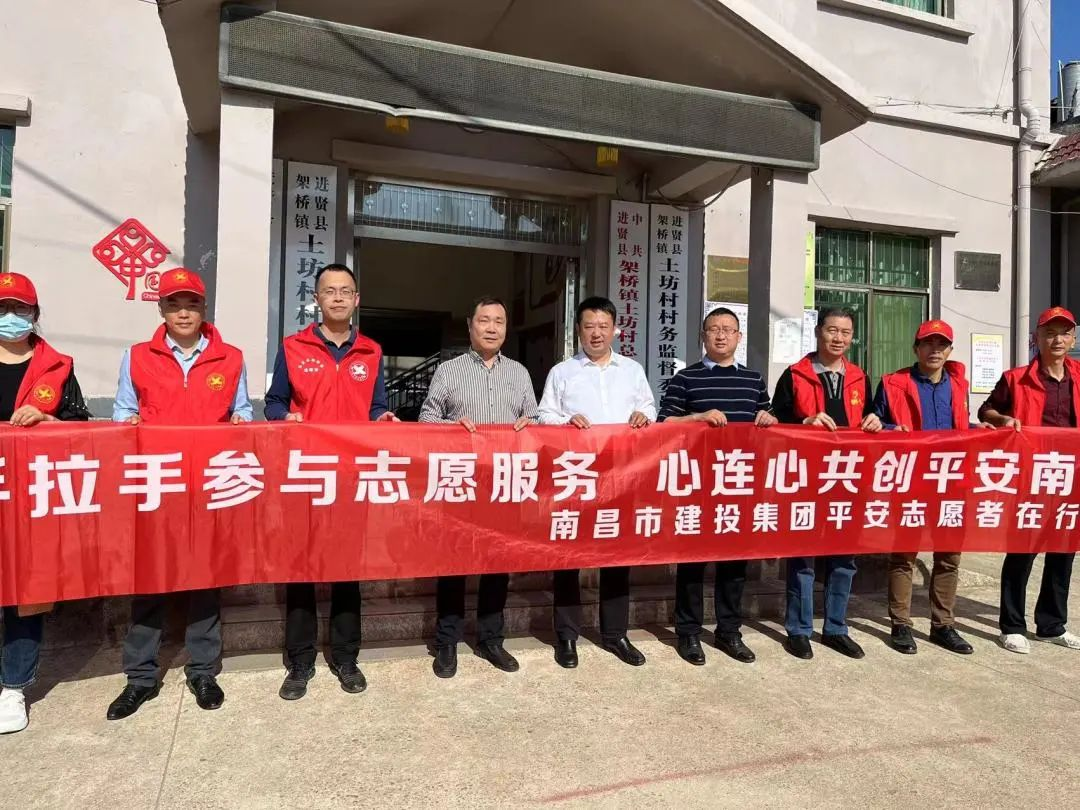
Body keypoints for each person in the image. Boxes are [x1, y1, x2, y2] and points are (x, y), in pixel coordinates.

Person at [107, 268, 253, 720]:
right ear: (161, 309)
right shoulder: (137, 357)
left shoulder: (231, 358)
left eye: (191, 304)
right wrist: (127, 425)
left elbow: (243, 411)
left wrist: (241, 423)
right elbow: (122, 413)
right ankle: (140, 677)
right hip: (158, 486)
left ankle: (203, 671)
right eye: (174, 304)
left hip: (209, 487)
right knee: (149, 582)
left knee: (205, 581)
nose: (183, 313)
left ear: (203, 309)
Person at [265, 263, 397, 700]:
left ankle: (346, 657)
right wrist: (285, 417)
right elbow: (274, 402)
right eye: (329, 291)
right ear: (316, 299)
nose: (337, 298)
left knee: (347, 571)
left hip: (351, 477)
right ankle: (300, 661)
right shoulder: (293, 347)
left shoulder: (372, 351)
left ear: (356, 300)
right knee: (300, 570)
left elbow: (376, 406)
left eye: (345, 291)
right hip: (305, 474)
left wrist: (384, 417)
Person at [419, 296, 537, 679]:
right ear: (470, 325)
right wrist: (450, 428)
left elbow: (534, 419)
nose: (491, 328)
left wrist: (530, 424)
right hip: (460, 482)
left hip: (503, 483)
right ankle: (447, 642)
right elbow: (426, 418)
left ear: (506, 328)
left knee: (497, 565)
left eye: (498, 321)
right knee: (453, 564)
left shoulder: (519, 373)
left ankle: (491, 639)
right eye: (484, 320)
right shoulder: (449, 371)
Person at [537, 296, 656, 668]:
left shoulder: (632, 370)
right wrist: (566, 421)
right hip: (576, 476)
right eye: (589, 326)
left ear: (616, 329)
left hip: (621, 476)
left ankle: (615, 634)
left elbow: (650, 408)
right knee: (568, 557)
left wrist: (644, 415)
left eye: (603, 326)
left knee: (617, 556)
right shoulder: (562, 372)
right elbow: (544, 415)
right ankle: (567, 636)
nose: (596, 333)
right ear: (578, 329)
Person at [657, 307, 777, 666]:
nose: (721, 335)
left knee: (733, 566)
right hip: (696, 485)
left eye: (728, 329)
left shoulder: (754, 380)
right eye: (713, 329)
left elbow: (770, 420)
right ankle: (688, 632)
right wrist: (696, 417)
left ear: (739, 337)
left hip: (739, 486)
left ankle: (729, 631)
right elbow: (663, 424)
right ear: (703, 336)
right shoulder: (685, 378)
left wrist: (769, 418)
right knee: (692, 564)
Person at [0, 272, 90, 734]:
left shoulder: (56, 366)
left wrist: (49, 421)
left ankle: (13, 686)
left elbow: (81, 425)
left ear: (35, 314)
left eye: (20, 309)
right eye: (2, 309)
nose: (11, 317)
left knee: (25, 592)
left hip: (30, 497)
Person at [772, 306, 881, 661]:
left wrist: (875, 420)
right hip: (807, 478)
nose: (838, 338)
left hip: (847, 478)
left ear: (852, 338)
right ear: (818, 332)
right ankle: (799, 630)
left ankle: (836, 628)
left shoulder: (860, 377)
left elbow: (873, 415)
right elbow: (775, 420)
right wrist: (804, 422)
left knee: (844, 559)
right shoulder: (795, 375)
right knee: (803, 557)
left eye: (845, 333)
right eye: (832, 330)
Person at [979, 306, 1080, 654]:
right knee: (1023, 550)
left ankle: (1052, 625)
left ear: (1073, 339)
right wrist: (1004, 420)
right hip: (1030, 478)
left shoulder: (1079, 377)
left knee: (1063, 552)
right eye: (1050, 332)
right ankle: (1012, 625)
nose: (1057, 339)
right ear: (1037, 338)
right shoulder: (1015, 379)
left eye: (1064, 333)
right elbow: (986, 410)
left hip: (1071, 478)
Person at [872, 319, 974, 656]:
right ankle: (901, 624)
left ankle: (943, 625)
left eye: (941, 344)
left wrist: (985, 429)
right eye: (928, 343)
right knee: (904, 555)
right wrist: (888, 429)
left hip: (952, 481)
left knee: (949, 557)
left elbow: (962, 427)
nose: (935, 350)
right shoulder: (893, 384)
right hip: (912, 481)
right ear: (916, 348)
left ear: (949, 350)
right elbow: (874, 423)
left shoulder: (958, 385)